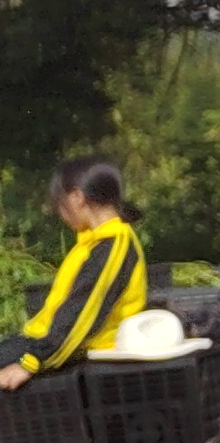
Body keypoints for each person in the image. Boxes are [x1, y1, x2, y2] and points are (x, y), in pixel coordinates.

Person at [1, 160, 149, 393]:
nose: (61, 215)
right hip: (41, 342)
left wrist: (30, 364)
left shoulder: (113, 245)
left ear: (77, 198)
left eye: (59, 206)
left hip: (70, 351)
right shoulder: (93, 243)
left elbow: (81, 314)